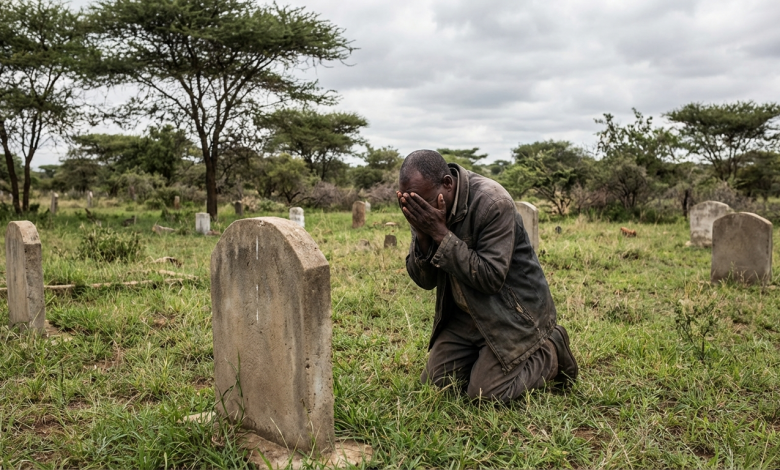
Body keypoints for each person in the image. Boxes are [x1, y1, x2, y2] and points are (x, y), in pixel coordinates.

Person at [397, 149, 578, 402]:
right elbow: (425, 282)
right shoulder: (424, 205)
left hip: (510, 314)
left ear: (447, 184)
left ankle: (551, 351)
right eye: (411, 202)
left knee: (485, 395)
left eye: (422, 202)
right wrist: (424, 235)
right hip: (465, 316)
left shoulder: (493, 202)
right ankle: (483, 359)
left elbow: (491, 278)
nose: (418, 209)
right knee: (435, 384)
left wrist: (440, 234)